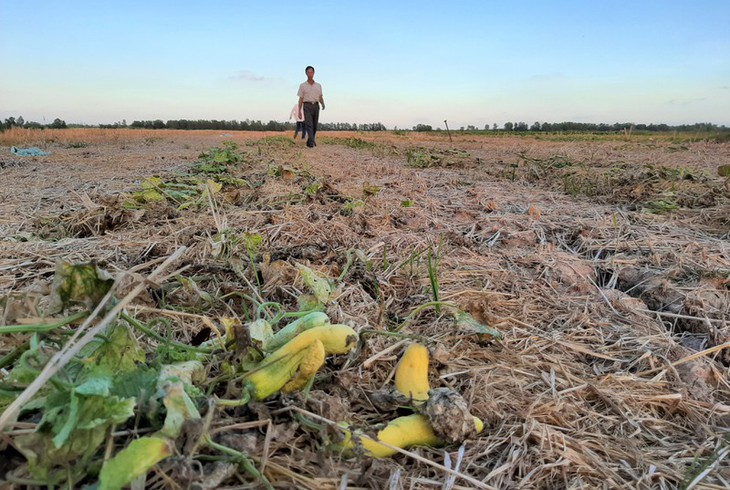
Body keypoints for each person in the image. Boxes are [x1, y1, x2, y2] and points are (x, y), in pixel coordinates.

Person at [297, 65, 325, 148]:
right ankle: (312, 143)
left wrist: (323, 104)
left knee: (315, 125)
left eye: (311, 72)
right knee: (309, 124)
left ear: (314, 73)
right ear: (306, 74)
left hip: (316, 106)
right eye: (308, 72)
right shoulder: (302, 85)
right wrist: (299, 111)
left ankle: (310, 141)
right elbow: (300, 99)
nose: (310, 74)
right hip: (307, 106)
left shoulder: (318, 85)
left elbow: (320, 97)